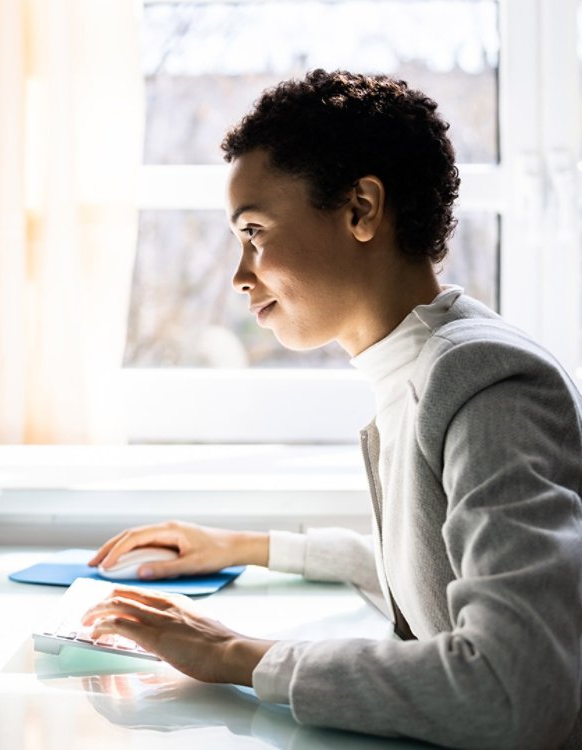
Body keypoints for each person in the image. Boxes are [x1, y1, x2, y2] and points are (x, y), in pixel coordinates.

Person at [84, 69, 582, 749]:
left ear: (361, 210)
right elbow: (429, 576)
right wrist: (246, 549)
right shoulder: (422, 364)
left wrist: (236, 655)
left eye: (255, 231)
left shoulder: (487, 382)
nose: (239, 274)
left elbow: (513, 690)